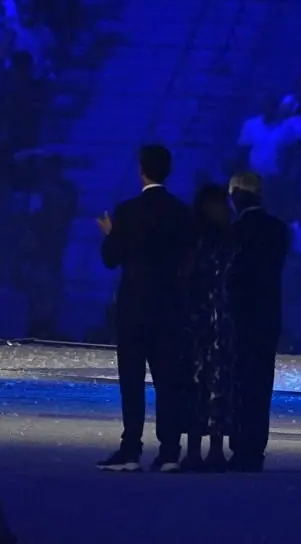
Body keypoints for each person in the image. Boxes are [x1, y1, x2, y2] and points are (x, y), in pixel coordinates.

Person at [95, 144, 194, 473]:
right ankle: (169, 451)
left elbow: (111, 259)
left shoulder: (127, 212)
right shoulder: (182, 213)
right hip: (169, 306)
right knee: (168, 381)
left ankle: (131, 449)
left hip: (134, 307)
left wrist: (112, 234)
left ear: (142, 170)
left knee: (132, 380)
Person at [227, 171, 289, 472]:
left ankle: (240, 446)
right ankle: (255, 449)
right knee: (261, 384)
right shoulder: (278, 229)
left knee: (239, 382)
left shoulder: (236, 230)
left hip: (240, 317)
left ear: (238, 194)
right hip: (268, 317)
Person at [180, 184, 237, 473]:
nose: (223, 210)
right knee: (196, 383)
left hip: (220, 321)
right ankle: (193, 449)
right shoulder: (197, 241)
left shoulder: (230, 241)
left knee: (217, 383)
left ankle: (215, 448)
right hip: (199, 321)